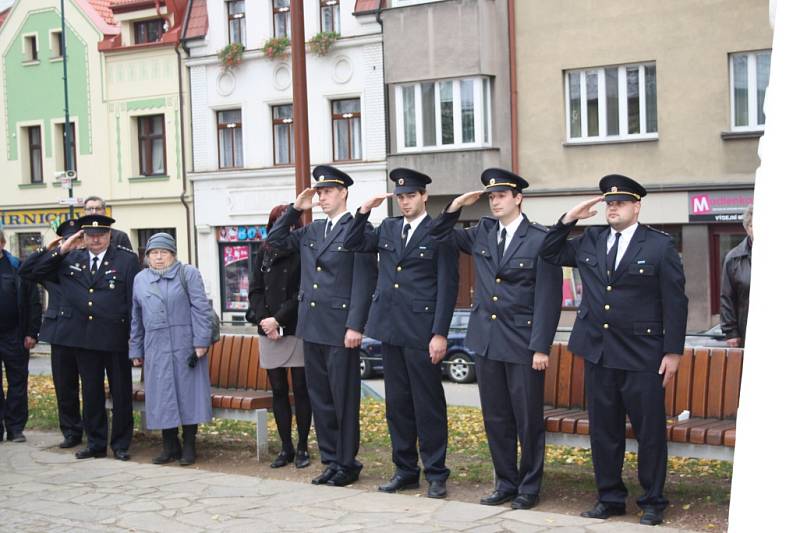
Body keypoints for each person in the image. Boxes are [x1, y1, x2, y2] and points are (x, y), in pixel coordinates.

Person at [540, 174, 688, 526]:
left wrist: (673, 352)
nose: (612, 208)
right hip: (599, 353)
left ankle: (653, 501)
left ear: (637, 206)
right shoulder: (590, 239)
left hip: (642, 355)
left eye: (619, 203)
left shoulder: (658, 246)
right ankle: (609, 498)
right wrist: (569, 218)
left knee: (649, 433)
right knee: (604, 432)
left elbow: (676, 302)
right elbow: (548, 252)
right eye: (608, 203)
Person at [428, 168, 563, 510]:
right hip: (486, 341)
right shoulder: (482, 233)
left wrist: (540, 346)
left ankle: (529, 487)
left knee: (527, 419)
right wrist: (455, 207)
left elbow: (548, 297)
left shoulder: (538, 238)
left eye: (502, 195)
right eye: (491, 196)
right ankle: (505, 482)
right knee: (496, 418)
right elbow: (437, 234)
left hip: (522, 344)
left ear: (518, 198)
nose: (496, 201)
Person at [343, 168, 459, 499]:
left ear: (424, 196)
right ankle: (405, 470)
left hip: (422, 331)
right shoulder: (389, 228)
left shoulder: (439, 231)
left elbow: (448, 286)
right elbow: (353, 243)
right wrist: (364, 211)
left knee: (428, 406)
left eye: (411, 196)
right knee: (397, 406)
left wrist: (440, 333)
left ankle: (436, 472)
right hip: (390, 329)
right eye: (401, 197)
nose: (406, 202)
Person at [266, 165, 377, 487]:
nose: (322, 197)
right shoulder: (312, 231)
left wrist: (356, 324)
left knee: (343, 400)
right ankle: (330, 460)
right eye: (319, 192)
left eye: (327, 192)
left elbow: (364, 280)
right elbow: (274, 243)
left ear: (343, 192)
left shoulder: (359, 229)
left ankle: (347, 462)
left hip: (341, 327)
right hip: (312, 325)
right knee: (321, 398)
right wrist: (294, 209)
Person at [19, 214, 140, 460]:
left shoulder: (126, 260)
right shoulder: (70, 258)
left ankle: (120, 444)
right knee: (92, 393)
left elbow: (133, 301)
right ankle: (96, 443)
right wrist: (60, 248)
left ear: (109, 235)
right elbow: (28, 272)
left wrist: (134, 338)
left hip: (116, 337)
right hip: (84, 339)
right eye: (90, 236)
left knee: (121, 393)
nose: (96, 240)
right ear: (82, 237)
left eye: (101, 235)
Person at [129, 233, 213, 466]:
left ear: (173, 254)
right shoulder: (140, 280)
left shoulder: (188, 274)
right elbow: (136, 317)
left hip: (185, 345)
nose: (158, 257)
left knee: (188, 396)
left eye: (163, 252)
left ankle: (189, 445)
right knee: (162, 396)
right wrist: (135, 350)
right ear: (146, 257)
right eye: (153, 253)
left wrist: (201, 342)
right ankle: (169, 445)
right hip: (156, 347)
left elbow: (200, 309)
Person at [248, 205, 312, 469]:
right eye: (275, 223)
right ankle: (285, 447)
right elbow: (255, 291)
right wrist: (266, 322)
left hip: (295, 327)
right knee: (278, 390)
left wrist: (279, 319)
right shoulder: (262, 253)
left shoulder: (303, 251)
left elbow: (302, 291)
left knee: (300, 389)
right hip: (268, 330)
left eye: (284, 223)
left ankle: (302, 447)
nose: (281, 228)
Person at [19, 219, 83, 448]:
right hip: (61, 333)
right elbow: (25, 272)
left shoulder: (86, 260)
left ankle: (93, 430)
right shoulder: (52, 264)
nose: (74, 244)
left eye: (78, 239)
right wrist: (48, 249)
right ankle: (71, 431)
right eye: (70, 240)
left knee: (91, 385)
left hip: (86, 331)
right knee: (65, 387)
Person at [0, 229, 41, 443]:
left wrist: (31, 332)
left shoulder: (18, 267)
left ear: (2, 243)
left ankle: (15, 428)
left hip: (15, 334)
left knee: (17, 383)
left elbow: (33, 302)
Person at [720, 204, 753, 348]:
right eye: (753, 224)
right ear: (747, 228)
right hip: (746, 331)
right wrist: (731, 332)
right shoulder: (734, 258)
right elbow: (727, 297)